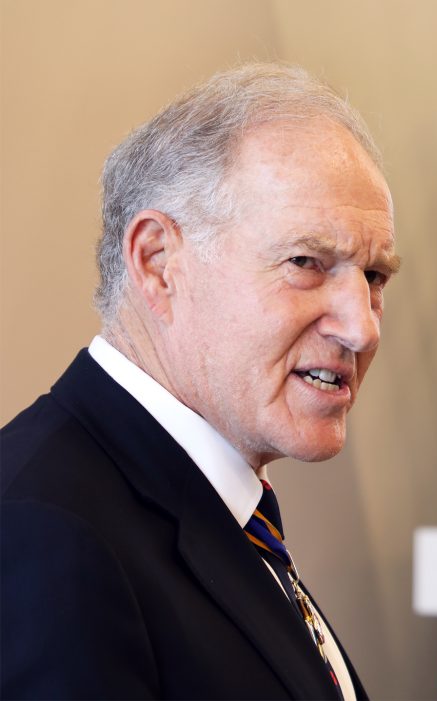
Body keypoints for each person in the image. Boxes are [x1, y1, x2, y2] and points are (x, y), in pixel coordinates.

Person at [0, 62, 399, 700]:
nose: (363, 328)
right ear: (159, 264)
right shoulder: (43, 532)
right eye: (306, 263)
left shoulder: (220, 510)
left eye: (374, 278)